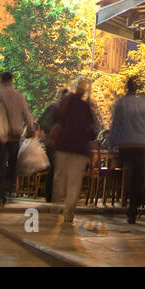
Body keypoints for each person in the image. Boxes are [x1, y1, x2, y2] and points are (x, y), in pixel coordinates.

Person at [108, 76, 145, 223]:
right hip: (141, 144)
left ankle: (124, 198)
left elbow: (116, 124)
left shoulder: (121, 103)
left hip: (125, 144)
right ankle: (134, 203)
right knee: (138, 174)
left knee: (121, 172)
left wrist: (112, 144)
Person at [51, 78, 97, 226]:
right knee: (74, 183)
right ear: (84, 91)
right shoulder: (86, 107)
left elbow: (55, 120)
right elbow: (92, 131)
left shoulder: (64, 103)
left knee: (59, 178)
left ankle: (56, 207)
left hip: (63, 145)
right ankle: (69, 213)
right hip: (79, 148)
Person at [0, 72, 35, 207]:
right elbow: (27, 115)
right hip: (15, 136)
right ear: (11, 80)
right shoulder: (19, 96)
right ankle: (9, 189)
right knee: (12, 164)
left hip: (0, 136)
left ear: (1, 80)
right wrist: (31, 128)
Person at [38, 88, 69, 202]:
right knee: (56, 167)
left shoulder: (55, 108)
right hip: (54, 141)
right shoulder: (55, 108)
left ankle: (51, 194)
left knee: (55, 167)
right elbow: (42, 122)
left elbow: (41, 122)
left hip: (53, 141)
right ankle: (51, 194)